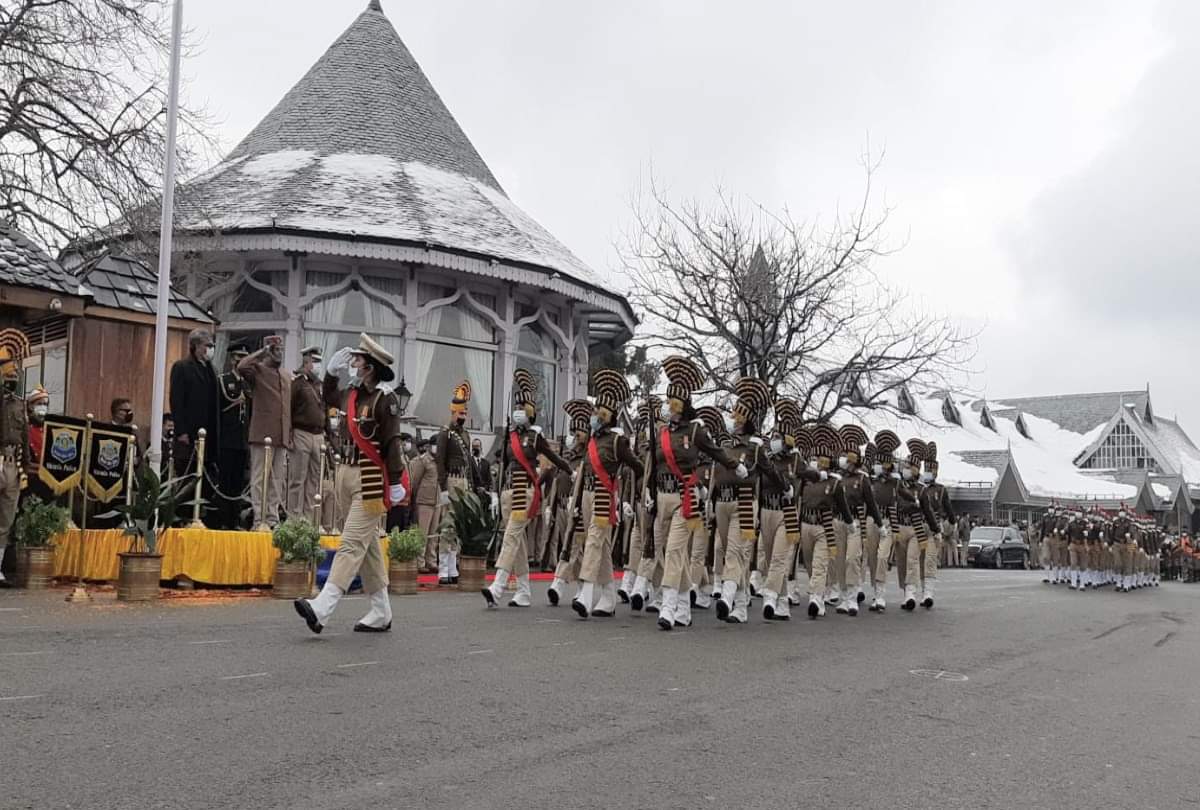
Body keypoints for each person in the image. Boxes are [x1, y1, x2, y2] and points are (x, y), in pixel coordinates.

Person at [293, 333, 406, 634]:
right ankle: (381, 611)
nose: (352, 362)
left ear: (369, 367)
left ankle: (323, 606)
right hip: (345, 470)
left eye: (357, 359)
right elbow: (329, 398)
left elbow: (393, 441)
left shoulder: (386, 398)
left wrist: (395, 481)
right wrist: (330, 375)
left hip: (370, 479)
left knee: (351, 543)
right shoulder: (354, 394)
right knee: (365, 544)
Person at [648, 355, 743, 630]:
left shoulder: (696, 429)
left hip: (684, 497)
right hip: (661, 496)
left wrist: (734, 466)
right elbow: (651, 465)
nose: (668, 406)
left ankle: (668, 608)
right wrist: (646, 491)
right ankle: (684, 607)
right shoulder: (662, 431)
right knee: (668, 552)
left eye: (672, 402)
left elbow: (715, 451)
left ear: (683, 404)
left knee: (677, 548)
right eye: (667, 401)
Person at [482, 368, 572, 608]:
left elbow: (554, 458)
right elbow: (501, 466)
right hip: (508, 491)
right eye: (517, 408)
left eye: (523, 408)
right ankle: (523, 592)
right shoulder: (509, 436)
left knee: (511, 536)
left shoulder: (535, 437)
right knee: (518, 542)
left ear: (531, 412)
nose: (518, 412)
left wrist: (572, 472)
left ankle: (498, 586)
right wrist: (494, 492)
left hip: (526, 490)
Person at [570, 369, 643, 618]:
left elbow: (638, 467)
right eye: (595, 411)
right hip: (589, 494)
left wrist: (636, 495)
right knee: (600, 548)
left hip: (604, 495)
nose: (595, 417)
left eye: (600, 413)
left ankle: (587, 595)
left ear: (609, 416)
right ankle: (609, 596)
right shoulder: (592, 439)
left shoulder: (616, 441)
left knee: (593, 543)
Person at [238, 336, 291, 530]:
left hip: (281, 435)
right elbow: (242, 366)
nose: (279, 354)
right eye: (275, 350)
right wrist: (262, 352)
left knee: (277, 479)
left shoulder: (285, 375)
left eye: (280, 350)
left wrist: (289, 435)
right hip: (262, 435)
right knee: (260, 477)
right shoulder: (258, 371)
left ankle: (272, 518)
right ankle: (259, 518)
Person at [547, 399, 591, 606]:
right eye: (574, 432)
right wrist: (551, 504)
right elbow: (557, 478)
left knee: (572, 544)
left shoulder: (588, 455)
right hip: (564, 503)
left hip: (581, 503)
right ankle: (582, 588)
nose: (575, 436)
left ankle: (558, 583)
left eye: (579, 432)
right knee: (575, 546)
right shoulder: (568, 453)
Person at [435, 381, 479, 585]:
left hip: (463, 482)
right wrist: (443, 488)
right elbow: (440, 461)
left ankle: (453, 567)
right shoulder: (445, 433)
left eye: (464, 414)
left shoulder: (465, 435)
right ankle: (443, 568)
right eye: (460, 414)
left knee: (459, 526)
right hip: (451, 481)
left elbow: (469, 463)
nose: (462, 417)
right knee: (448, 525)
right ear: (453, 412)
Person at [835, 424, 881, 615]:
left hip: (855, 522)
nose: (843, 459)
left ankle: (853, 596)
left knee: (852, 558)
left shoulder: (862, 479)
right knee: (839, 559)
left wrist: (879, 523)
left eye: (847, 456)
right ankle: (844, 596)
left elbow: (871, 504)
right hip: (837, 521)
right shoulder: (837, 477)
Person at [169, 329, 221, 489]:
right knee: (188, 479)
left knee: (206, 481)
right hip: (190, 434)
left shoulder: (211, 370)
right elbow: (176, 400)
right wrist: (182, 431)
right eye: (208, 345)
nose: (211, 349)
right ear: (196, 345)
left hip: (209, 434)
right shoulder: (182, 367)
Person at [0, 329, 31, 587]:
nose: (12, 379)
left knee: (6, 518)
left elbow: (23, 434)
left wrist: (28, 463)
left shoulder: (19, 404)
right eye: (7, 375)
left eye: (14, 375)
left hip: (14, 462)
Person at [288, 346, 324, 522]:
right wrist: (289, 433)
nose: (318, 365)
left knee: (313, 480)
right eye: (315, 361)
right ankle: (294, 517)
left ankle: (309, 519)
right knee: (298, 478)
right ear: (306, 362)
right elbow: (289, 408)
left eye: (319, 362)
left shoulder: (318, 384)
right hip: (301, 431)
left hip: (318, 435)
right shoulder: (298, 382)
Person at [216, 342, 250, 529]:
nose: (240, 360)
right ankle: (223, 520)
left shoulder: (247, 383)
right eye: (237, 357)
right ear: (231, 359)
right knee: (225, 482)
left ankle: (235, 520)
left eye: (243, 357)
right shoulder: (223, 380)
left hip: (241, 440)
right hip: (227, 439)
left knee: (238, 484)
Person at [407, 438, 440, 573]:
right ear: (429, 447)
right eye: (435, 445)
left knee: (434, 534)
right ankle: (419, 562)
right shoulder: (423, 460)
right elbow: (415, 480)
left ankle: (431, 561)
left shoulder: (439, 461)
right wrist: (413, 498)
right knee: (422, 533)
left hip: (437, 500)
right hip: (424, 500)